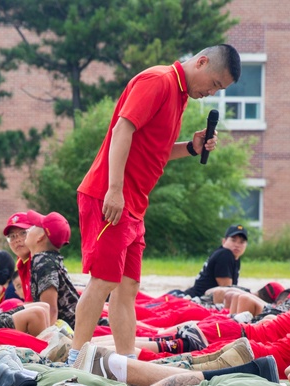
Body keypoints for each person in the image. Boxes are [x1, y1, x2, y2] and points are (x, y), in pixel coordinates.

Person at [69, 44, 242, 362]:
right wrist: (115, 189)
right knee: (104, 279)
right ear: (201, 62)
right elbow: (123, 129)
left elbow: (155, 149)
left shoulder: (179, 96)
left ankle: (125, 363)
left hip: (134, 205)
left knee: (128, 288)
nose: (212, 93)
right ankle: (73, 356)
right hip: (110, 197)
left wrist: (192, 146)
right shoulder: (159, 81)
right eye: (215, 84)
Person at [22, 211, 80, 328]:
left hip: (73, 327)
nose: (28, 230)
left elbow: (50, 309)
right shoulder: (49, 258)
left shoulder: (43, 262)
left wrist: (48, 338)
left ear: (40, 237)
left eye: (33, 226)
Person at [183, 224, 249, 298]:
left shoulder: (234, 257)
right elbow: (227, 290)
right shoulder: (225, 255)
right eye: (233, 240)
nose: (237, 245)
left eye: (242, 242)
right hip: (197, 299)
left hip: (196, 296)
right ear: (224, 241)